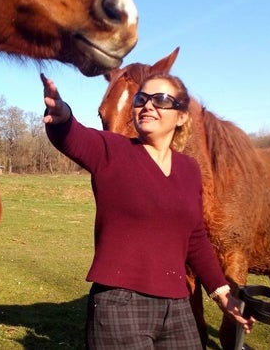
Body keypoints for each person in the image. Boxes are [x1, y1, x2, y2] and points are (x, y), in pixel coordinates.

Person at [41, 72, 253, 349]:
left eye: (160, 99)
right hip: (119, 303)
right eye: (142, 99)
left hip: (178, 305)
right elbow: (74, 137)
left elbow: (195, 238)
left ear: (181, 116)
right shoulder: (113, 151)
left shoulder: (189, 169)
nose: (148, 105)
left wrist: (223, 294)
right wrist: (62, 115)